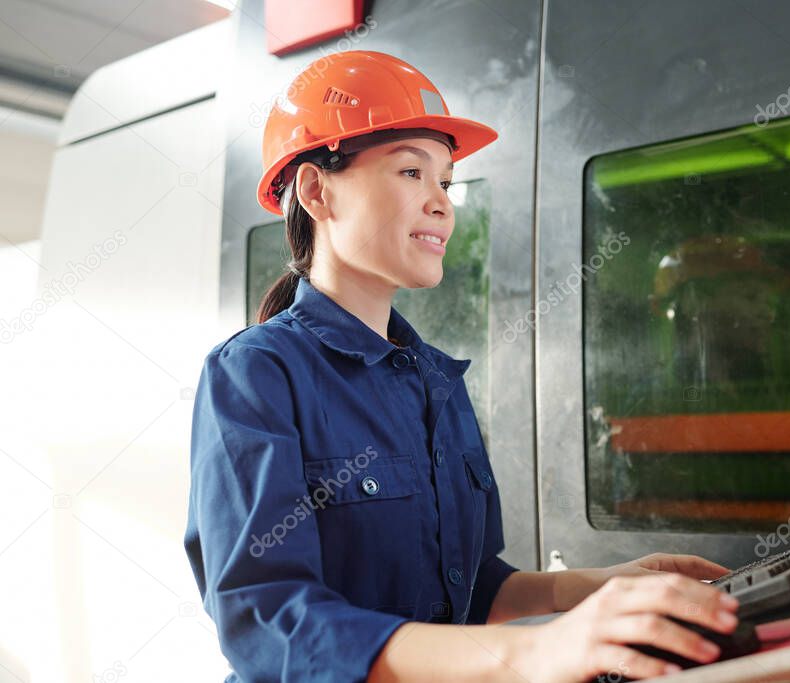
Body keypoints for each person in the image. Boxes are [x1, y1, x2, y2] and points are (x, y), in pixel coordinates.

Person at [183, 49, 740, 683]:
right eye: (410, 173)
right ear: (316, 190)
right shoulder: (255, 375)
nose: (443, 205)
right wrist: (533, 653)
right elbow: (268, 621)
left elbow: (465, 590)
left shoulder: (431, 378)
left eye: (445, 182)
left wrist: (596, 589)